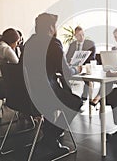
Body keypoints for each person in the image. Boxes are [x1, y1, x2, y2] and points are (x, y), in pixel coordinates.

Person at [23, 13, 83, 157]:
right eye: (55, 25)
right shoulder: (53, 43)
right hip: (46, 94)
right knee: (75, 102)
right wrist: (78, 69)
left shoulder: (28, 43)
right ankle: (50, 138)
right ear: (51, 27)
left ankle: (49, 137)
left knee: (62, 98)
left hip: (26, 94)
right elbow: (66, 72)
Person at [66, 26, 96, 101]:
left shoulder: (90, 43)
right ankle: (69, 96)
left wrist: (82, 64)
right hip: (74, 66)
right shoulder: (72, 45)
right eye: (79, 35)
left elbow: (92, 57)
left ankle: (84, 97)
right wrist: (71, 61)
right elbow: (67, 57)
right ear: (75, 36)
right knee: (66, 73)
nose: (82, 36)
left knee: (86, 77)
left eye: (83, 34)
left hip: (85, 66)